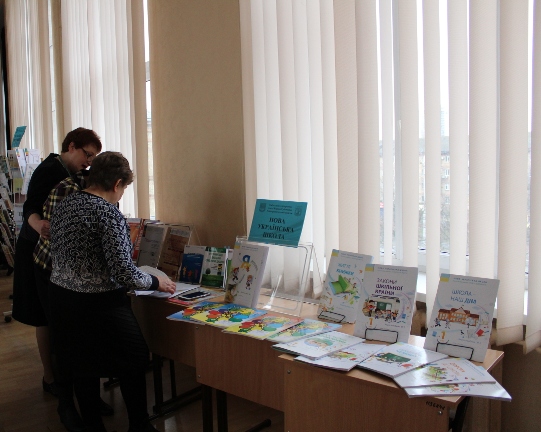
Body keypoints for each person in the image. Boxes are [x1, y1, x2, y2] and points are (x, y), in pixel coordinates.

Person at [48, 152, 176, 432]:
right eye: (124, 189)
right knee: (135, 358)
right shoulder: (108, 213)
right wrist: (156, 282)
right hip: (99, 303)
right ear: (117, 184)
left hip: (62, 297)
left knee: (83, 366)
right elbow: (123, 272)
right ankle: (139, 426)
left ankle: (93, 427)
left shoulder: (66, 204)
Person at [11, 127, 102, 396]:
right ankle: (50, 377)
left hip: (55, 252)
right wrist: (39, 224)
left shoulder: (75, 173)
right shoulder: (50, 169)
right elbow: (31, 207)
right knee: (44, 316)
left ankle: (63, 378)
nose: (89, 161)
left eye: (93, 157)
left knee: (54, 317)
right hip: (37, 249)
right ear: (71, 146)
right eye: (87, 154)